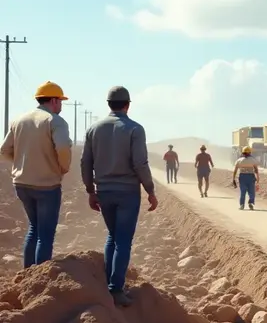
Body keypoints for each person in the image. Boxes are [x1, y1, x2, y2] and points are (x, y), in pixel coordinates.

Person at [81, 86, 158, 307]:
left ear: (108, 104)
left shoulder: (94, 129)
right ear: (128, 105)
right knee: (123, 240)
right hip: (127, 193)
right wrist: (150, 190)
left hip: (104, 191)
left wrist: (90, 191)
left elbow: (85, 162)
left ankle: (109, 284)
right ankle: (115, 289)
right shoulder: (135, 129)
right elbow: (140, 163)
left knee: (113, 237)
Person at [0, 81, 72, 268]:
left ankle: (27, 274)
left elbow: (4, 150)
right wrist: (63, 168)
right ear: (54, 100)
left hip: (22, 184)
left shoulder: (19, 120)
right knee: (45, 234)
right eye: (61, 101)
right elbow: (63, 147)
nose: (61, 105)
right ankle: (40, 278)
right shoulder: (55, 121)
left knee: (34, 228)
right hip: (47, 185)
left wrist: (21, 165)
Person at [232, 146, 259, 210]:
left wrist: (233, 179)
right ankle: (251, 203)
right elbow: (256, 171)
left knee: (242, 192)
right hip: (251, 177)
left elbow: (235, 171)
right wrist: (258, 179)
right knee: (251, 192)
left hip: (242, 177)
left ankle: (242, 205)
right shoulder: (253, 160)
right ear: (250, 152)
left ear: (243, 153)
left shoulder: (239, 160)